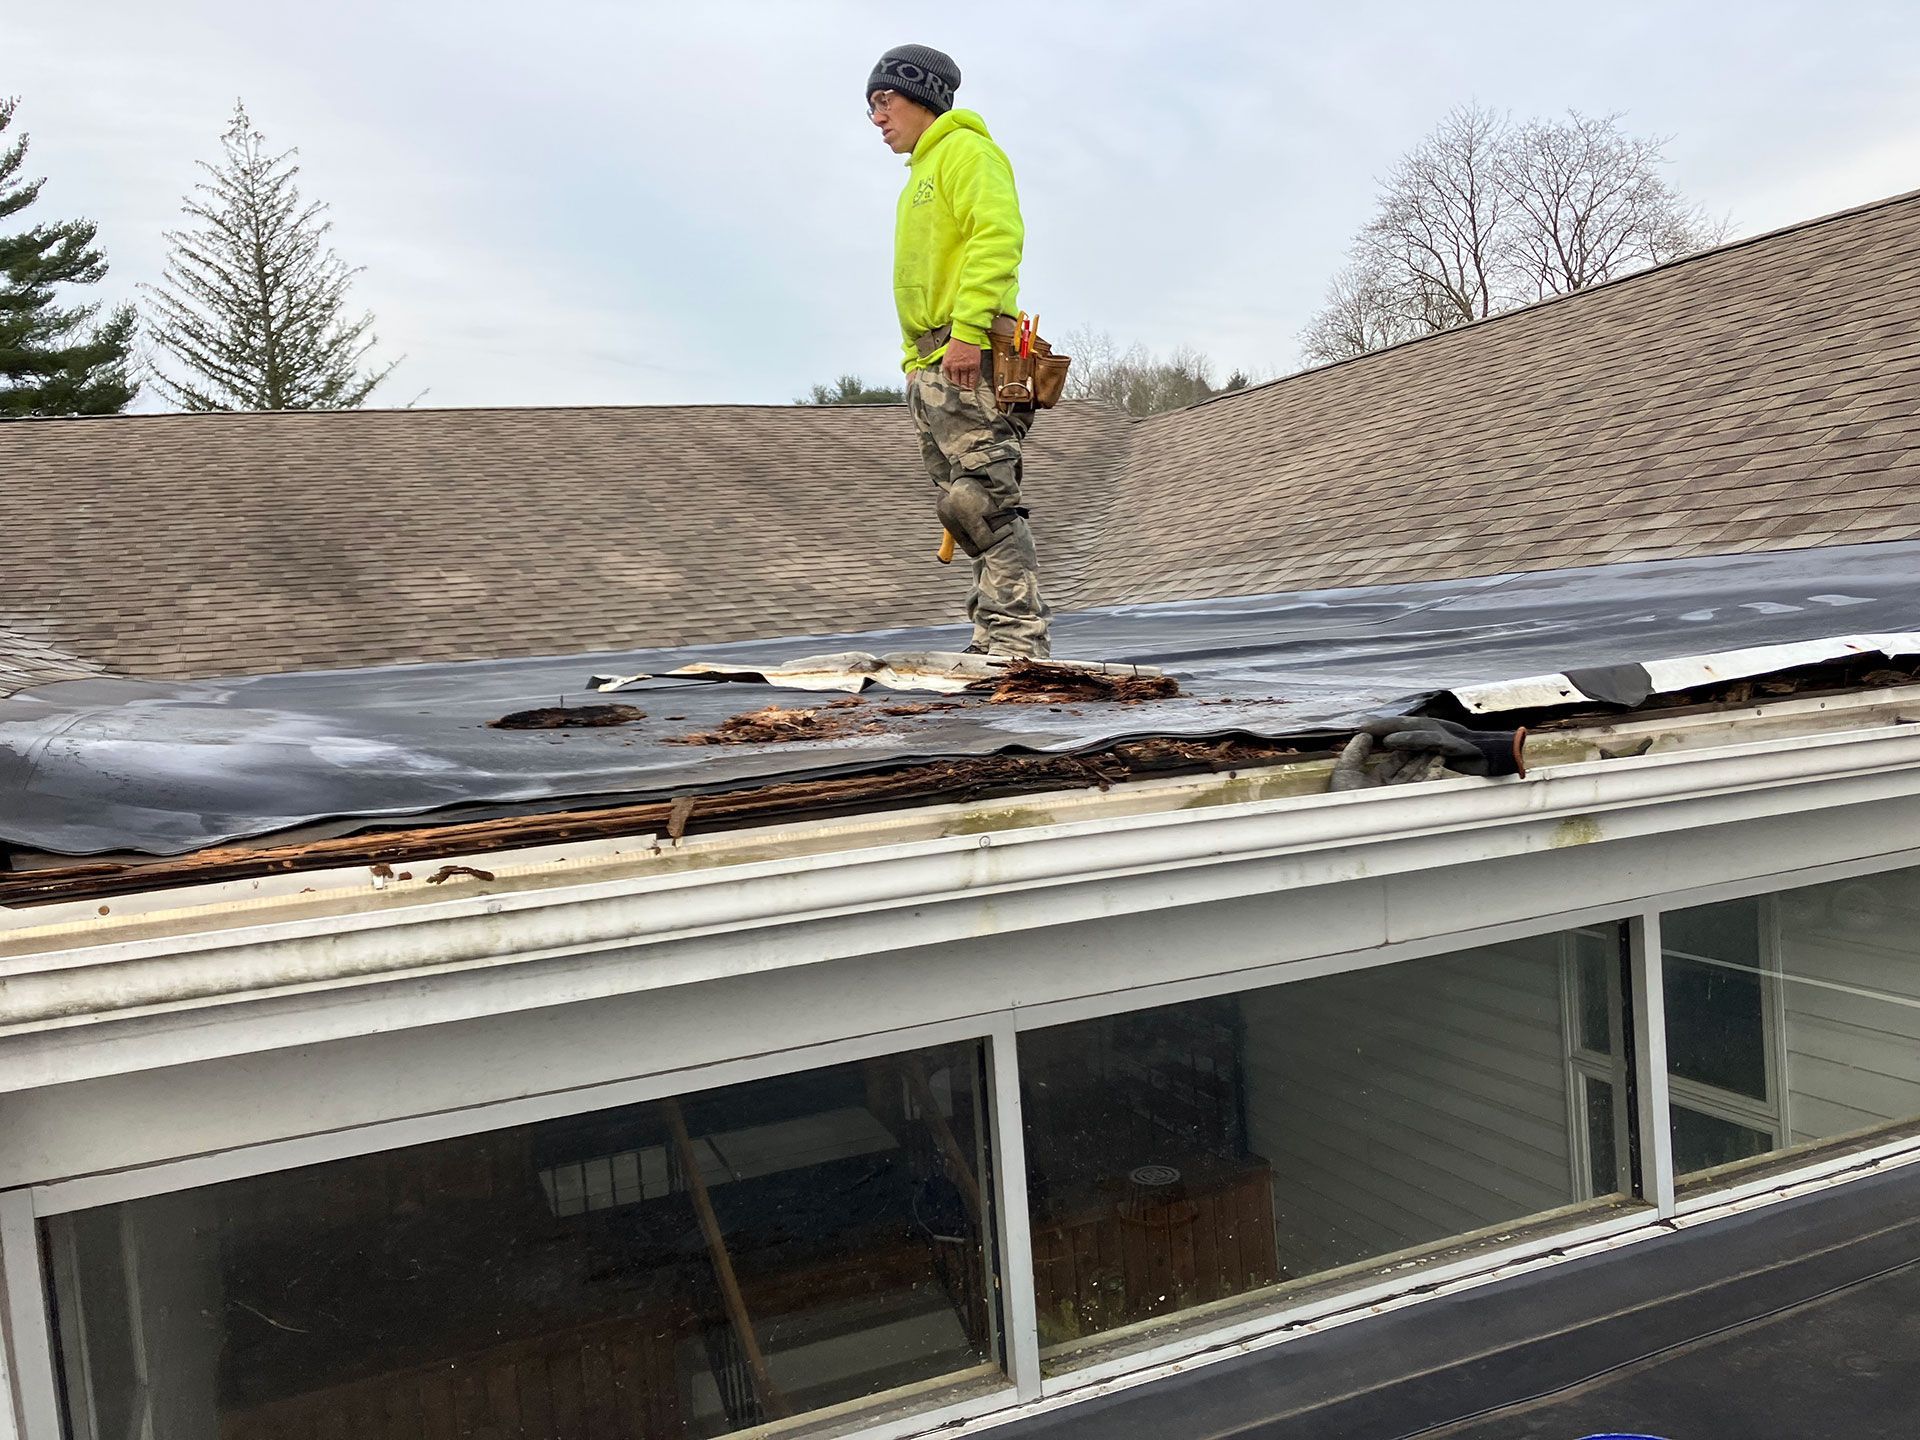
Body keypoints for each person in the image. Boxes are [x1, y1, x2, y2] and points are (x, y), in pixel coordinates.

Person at [867, 44, 1052, 658]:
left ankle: (1018, 645)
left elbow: (998, 239)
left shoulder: (967, 152)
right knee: (961, 510)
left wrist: (970, 331)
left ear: (918, 94)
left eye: (882, 99)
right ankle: (990, 638)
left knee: (984, 506)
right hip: (934, 364)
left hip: (966, 352)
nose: (875, 117)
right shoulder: (920, 173)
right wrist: (915, 362)